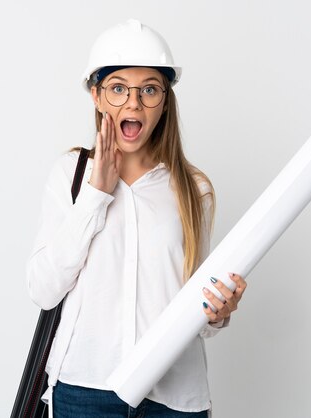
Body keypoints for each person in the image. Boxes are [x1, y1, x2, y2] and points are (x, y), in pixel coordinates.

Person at [27, 19, 247, 418]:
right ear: (96, 96)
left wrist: (218, 312)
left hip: (174, 399)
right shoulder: (70, 175)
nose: (133, 103)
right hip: (86, 392)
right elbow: (44, 289)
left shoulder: (194, 190)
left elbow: (197, 311)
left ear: (165, 100)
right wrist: (96, 194)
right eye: (118, 89)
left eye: (149, 89)